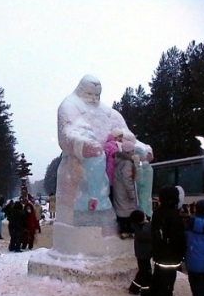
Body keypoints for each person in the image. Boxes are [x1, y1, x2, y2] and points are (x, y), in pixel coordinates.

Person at [56, 74, 153, 224]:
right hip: (94, 159)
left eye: (97, 95)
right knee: (96, 158)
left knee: (144, 168)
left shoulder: (109, 112)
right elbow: (66, 133)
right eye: (89, 94)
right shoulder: (70, 105)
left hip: (116, 164)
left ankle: (143, 207)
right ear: (81, 89)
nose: (94, 98)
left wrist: (141, 149)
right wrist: (83, 145)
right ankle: (95, 207)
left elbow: (127, 135)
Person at [147, 185, 186, 296]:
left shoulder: (158, 212)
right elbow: (178, 238)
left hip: (159, 252)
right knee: (168, 282)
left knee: (157, 277)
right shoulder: (174, 215)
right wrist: (182, 253)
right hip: (170, 255)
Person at [113, 141, 137, 239]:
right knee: (128, 210)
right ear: (129, 151)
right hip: (124, 190)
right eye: (132, 150)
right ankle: (128, 231)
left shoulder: (119, 160)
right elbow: (127, 178)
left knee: (121, 210)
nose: (133, 152)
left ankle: (123, 230)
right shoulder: (127, 162)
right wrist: (131, 193)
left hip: (118, 189)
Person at [128, 209, 152, 296]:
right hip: (144, 254)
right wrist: (150, 224)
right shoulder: (142, 229)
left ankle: (134, 288)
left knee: (143, 271)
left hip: (142, 254)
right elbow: (147, 235)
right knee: (146, 273)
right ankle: (146, 292)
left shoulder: (138, 226)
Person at [104, 128, 123, 204]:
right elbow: (105, 155)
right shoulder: (109, 145)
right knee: (111, 190)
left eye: (122, 136)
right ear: (115, 136)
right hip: (110, 170)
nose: (121, 138)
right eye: (120, 136)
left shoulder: (120, 145)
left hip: (117, 170)